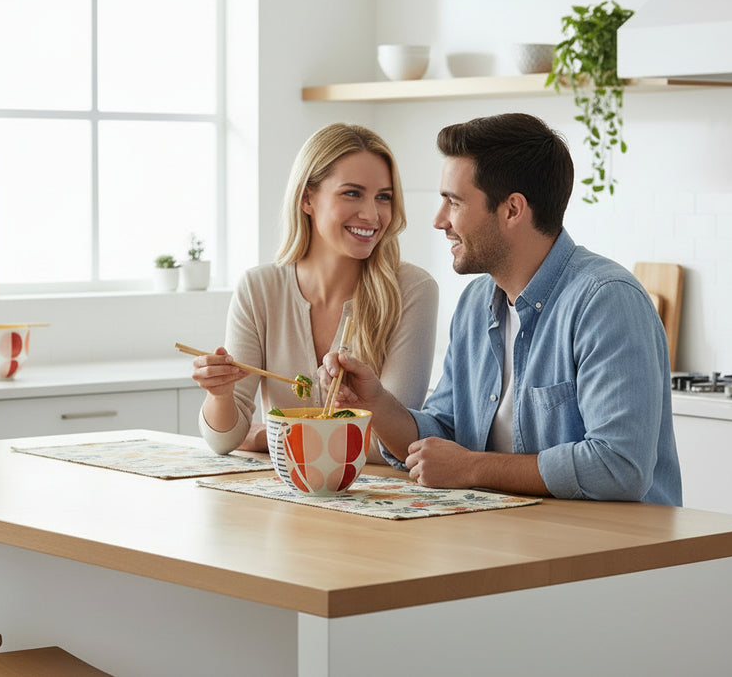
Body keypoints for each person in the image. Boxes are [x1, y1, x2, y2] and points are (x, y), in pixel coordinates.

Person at [320, 113, 682, 505]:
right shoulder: (476, 304)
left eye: (454, 202)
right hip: (511, 531)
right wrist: (375, 402)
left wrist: (473, 468)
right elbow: (444, 436)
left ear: (512, 210)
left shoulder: (605, 301)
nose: (439, 221)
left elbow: (618, 467)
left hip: (611, 541)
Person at [191, 123, 439, 462]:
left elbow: (394, 446)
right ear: (307, 198)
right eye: (352, 193)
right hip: (285, 491)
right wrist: (220, 395)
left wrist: (267, 435)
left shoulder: (413, 290)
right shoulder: (259, 288)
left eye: (384, 197)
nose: (372, 215)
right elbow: (224, 440)